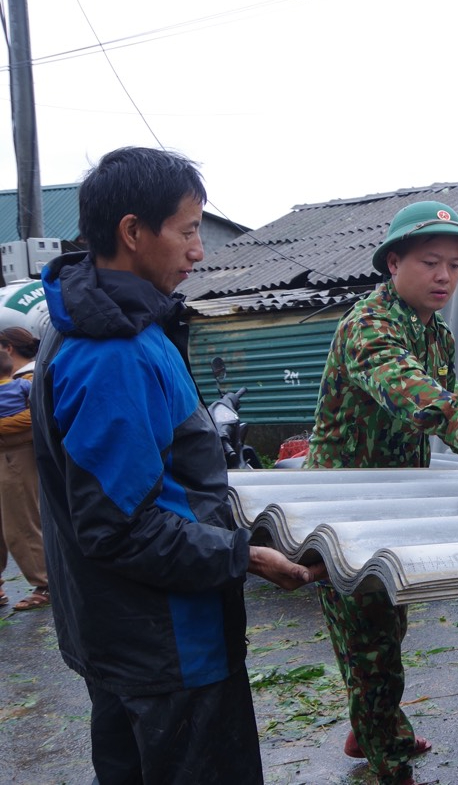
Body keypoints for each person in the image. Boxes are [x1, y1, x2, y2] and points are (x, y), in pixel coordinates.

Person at [31, 146, 322, 785]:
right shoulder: (112, 354)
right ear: (133, 232)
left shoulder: (103, 318)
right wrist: (243, 555)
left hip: (120, 642)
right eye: (188, 230)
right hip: (166, 651)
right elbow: (121, 527)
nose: (198, 250)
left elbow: (165, 484)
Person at [305, 200, 458, 785]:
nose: (445, 277)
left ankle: (371, 723)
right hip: (345, 510)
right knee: (370, 639)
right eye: (431, 262)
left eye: (455, 266)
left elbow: (442, 401)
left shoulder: (438, 335)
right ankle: (388, 760)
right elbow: (399, 381)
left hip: (397, 501)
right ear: (393, 262)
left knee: (389, 624)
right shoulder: (368, 326)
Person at [0, 326, 49, 611]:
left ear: (8, 348)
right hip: (7, 456)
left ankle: (45, 584)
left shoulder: (27, 379)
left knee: (22, 523)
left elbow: (34, 417)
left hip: (16, 458)